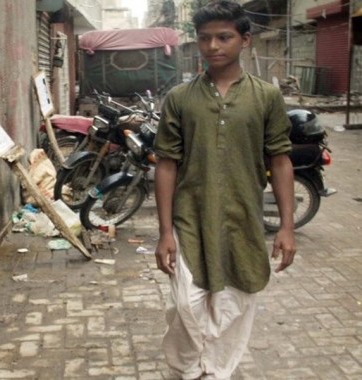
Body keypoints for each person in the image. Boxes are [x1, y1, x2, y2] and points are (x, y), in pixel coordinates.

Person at [152, 1, 297, 379]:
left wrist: (286, 226)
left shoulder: (266, 96)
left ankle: (216, 372)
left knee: (235, 304)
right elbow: (166, 164)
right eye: (204, 38)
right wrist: (164, 232)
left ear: (245, 40)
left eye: (223, 37)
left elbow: (280, 160)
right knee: (184, 306)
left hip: (242, 220)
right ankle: (186, 370)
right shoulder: (180, 99)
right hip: (189, 220)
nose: (213, 46)